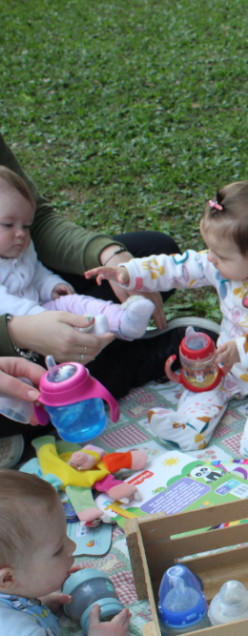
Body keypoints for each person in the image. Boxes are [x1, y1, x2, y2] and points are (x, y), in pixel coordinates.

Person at [0, 129, 209, 468]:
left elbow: (36, 227)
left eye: (20, 226)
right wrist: (18, 332)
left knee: (151, 256)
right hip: (18, 326)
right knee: (37, 386)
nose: (20, 234)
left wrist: (111, 258)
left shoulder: (19, 238)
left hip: (39, 307)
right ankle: (131, 360)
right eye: (8, 225)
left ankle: (117, 325)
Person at [87, 180, 248, 457]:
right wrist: (131, 272)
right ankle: (189, 428)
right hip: (229, 362)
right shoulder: (222, 263)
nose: (210, 259)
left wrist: (241, 348)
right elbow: (180, 267)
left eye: (219, 255)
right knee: (204, 386)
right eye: (209, 250)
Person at [0, 166, 156, 340]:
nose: (21, 233)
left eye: (26, 225)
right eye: (7, 224)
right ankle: (90, 335)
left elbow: (36, 271)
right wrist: (38, 315)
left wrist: (51, 285)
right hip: (17, 335)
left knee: (75, 303)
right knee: (62, 321)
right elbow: (4, 303)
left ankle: (123, 321)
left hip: (44, 309)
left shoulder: (22, 249)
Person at [0, 468, 131, 635]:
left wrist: (40, 604)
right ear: (8, 578)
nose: (73, 547)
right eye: (58, 550)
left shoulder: (12, 587)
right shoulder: (18, 630)